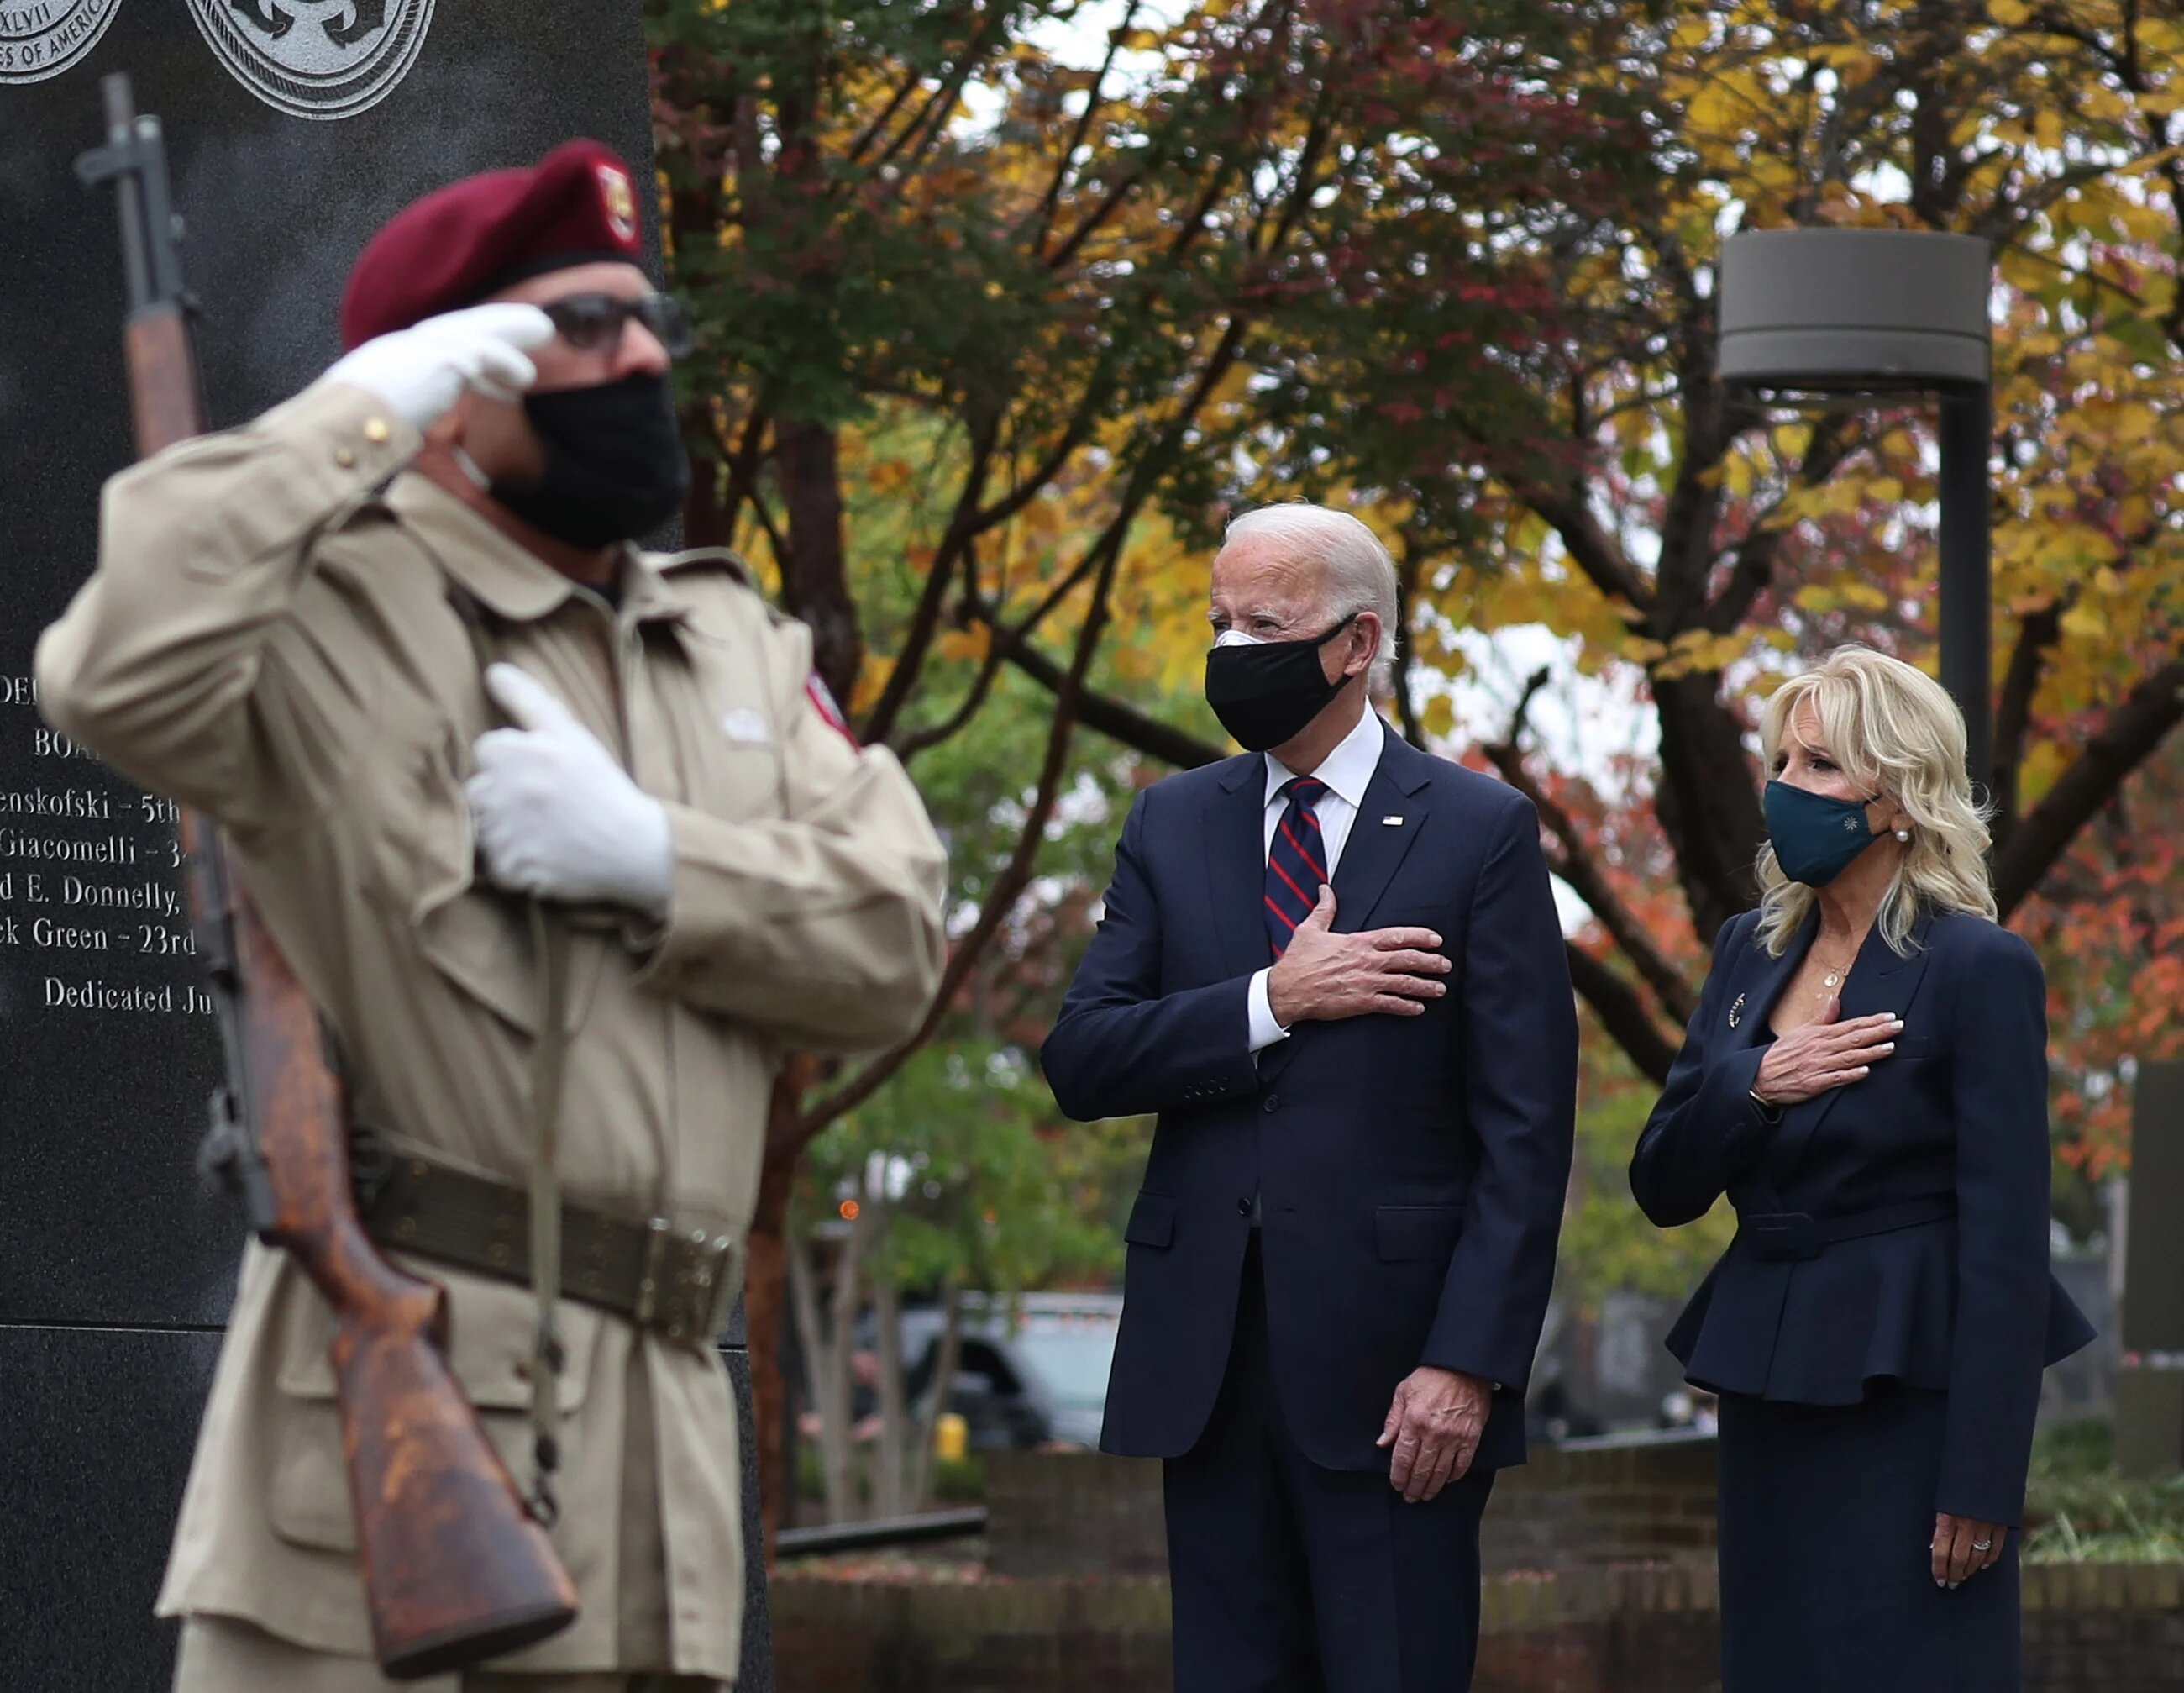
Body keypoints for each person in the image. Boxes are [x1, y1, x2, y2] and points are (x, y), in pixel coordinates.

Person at [37, 141, 948, 1692]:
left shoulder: (726, 641)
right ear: (455, 384)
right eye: (579, 329)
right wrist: (353, 415)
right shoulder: (332, 609)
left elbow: (893, 945)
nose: (643, 354)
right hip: (392, 1442)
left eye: (645, 315)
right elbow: (111, 665)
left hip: (662, 1457)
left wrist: (660, 861)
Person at [1041, 505, 1577, 1693]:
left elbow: (1527, 1131)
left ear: (1355, 642)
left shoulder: (1479, 830)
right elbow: (1083, 1057)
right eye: (1219, 623)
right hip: (1209, 1369)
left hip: (1400, 1384)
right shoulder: (1170, 821)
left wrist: (1469, 1362)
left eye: (1264, 624)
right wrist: (1271, 998)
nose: (1233, 651)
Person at [1628, 645, 2094, 1692]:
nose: (1785, 789)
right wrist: (1757, 1079)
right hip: (1766, 1384)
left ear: (1897, 795)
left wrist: (1981, 1477)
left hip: (1909, 1401)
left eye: (1821, 767)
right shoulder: (1747, 949)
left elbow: (2006, 1239)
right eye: (1782, 761)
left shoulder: (1978, 966)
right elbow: (1661, 1183)